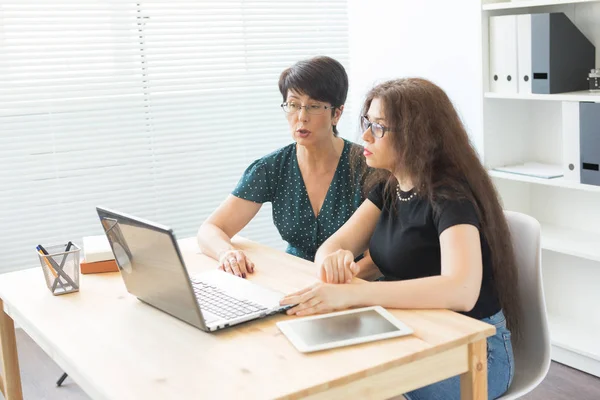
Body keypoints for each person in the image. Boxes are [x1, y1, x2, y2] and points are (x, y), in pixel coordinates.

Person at [280, 78, 519, 400]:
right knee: (317, 371)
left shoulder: (450, 197)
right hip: (413, 330)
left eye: (378, 127)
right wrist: (333, 262)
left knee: (352, 391)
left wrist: (360, 293)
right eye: (367, 123)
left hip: (473, 352)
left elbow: (461, 290)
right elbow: (330, 247)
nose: (364, 136)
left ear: (416, 136)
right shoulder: (389, 186)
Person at [197, 56, 373, 278]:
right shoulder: (271, 168)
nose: (301, 117)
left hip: (355, 284)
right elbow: (210, 229)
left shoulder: (367, 167)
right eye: (293, 105)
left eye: (314, 106)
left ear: (336, 114)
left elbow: (378, 259)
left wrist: (336, 285)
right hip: (292, 277)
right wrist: (227, 254)